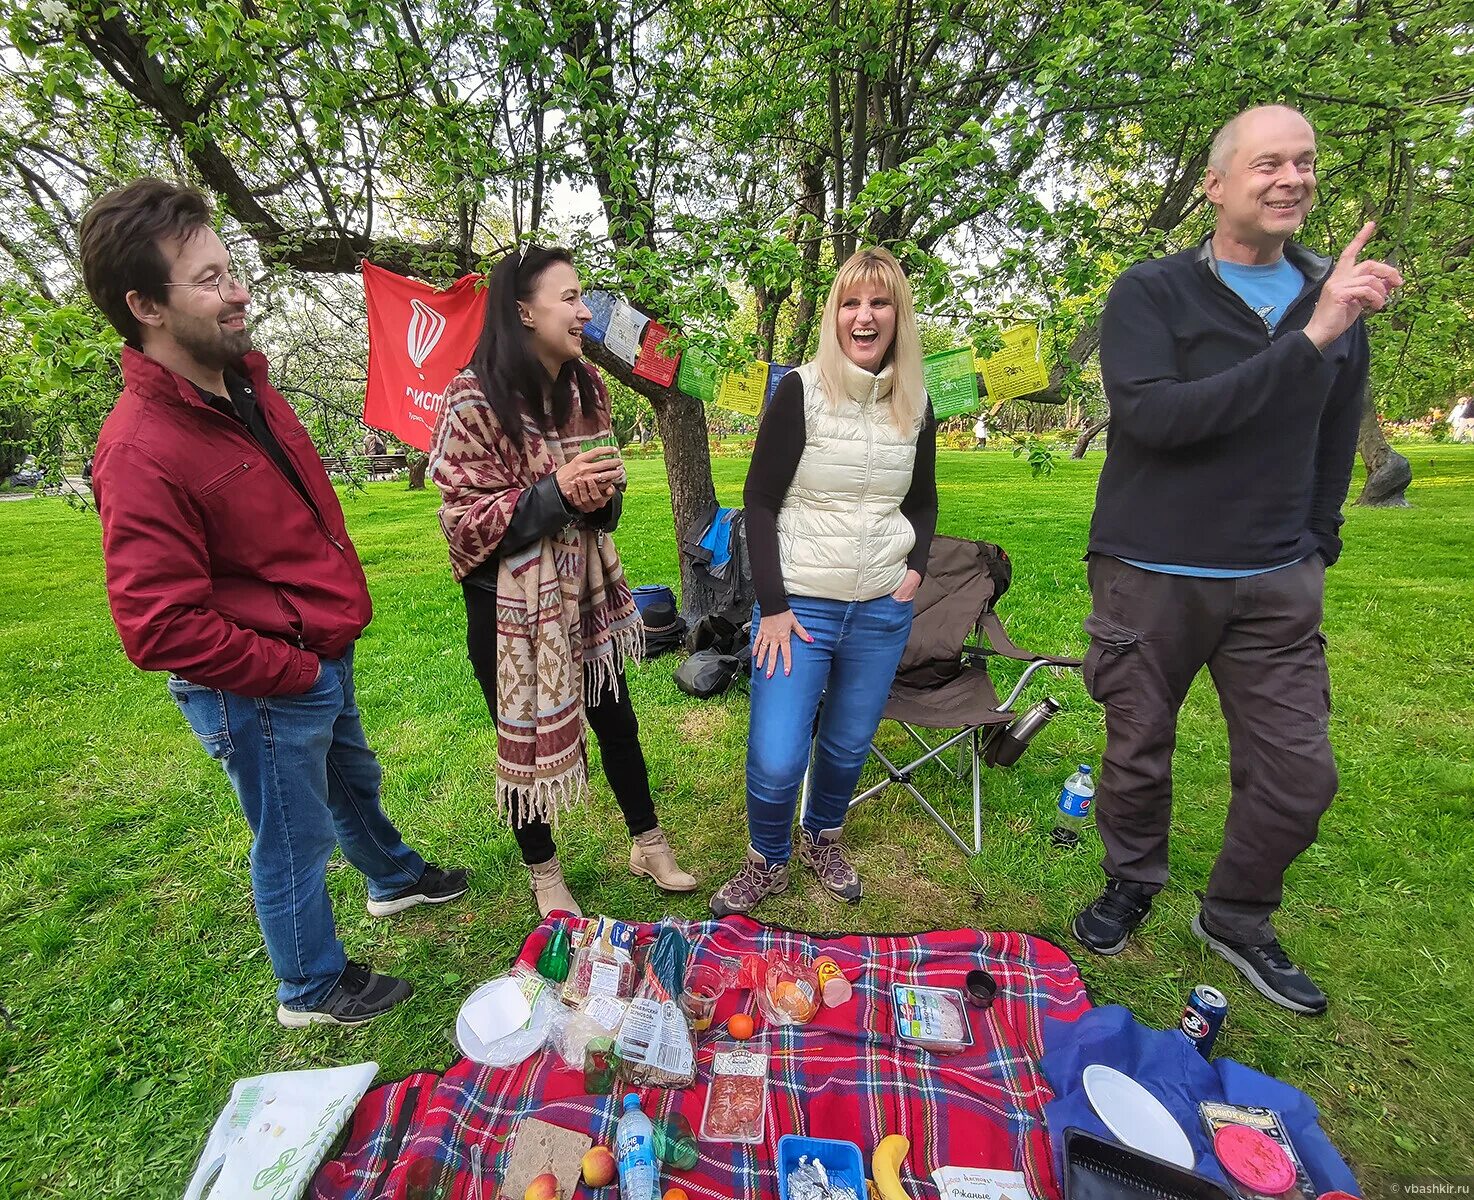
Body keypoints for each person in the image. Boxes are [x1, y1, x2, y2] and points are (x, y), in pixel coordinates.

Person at [80, 180, 468, 1028]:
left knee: (350, 781)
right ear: (144, 305)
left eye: (233, 270)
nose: (239, 292)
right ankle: (312, 986)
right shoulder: (140, 447)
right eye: (211, 279)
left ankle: (395, 880)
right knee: (293, 836)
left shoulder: (244, 387)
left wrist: (320, 648)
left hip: (315, 652)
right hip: (257, 682)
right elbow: (158, 625)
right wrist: (289, 670)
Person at [1075, 106, 1402, 1014]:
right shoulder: (1153, 294)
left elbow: (1337, 433)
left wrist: (1317, 540)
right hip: (1152, 569)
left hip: (1274, 576)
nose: (1290, 178)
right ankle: (1131, 879)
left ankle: (1238, 914)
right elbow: (1157, 420)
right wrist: (1310, 340)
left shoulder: (1330, 297)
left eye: (1303, 162)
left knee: (1302, 772)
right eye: (1267, 164)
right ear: (1217, 186)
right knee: (1139, 749)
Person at [429, 246, 697, 918]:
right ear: (523, 311)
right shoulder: (473, 399)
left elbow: (602, 513)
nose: (584, 313)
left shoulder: (589, 391)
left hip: (584, 589)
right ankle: (545, 875)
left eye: (583, 299)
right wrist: (553, 495)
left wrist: (603, 496)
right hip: (505, 609)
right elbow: (462, 523)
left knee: (618, 720)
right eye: (570, 298)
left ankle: (649, 841)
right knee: (521, 741)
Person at [710, 247, 938, 916]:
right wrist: (773, 609)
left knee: (844, 744)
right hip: (800, 610)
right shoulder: (799, 391)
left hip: (880, 611)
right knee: (779, 756)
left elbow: (922, 500)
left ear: (898, 315)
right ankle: (766, 861)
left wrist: (915, 567)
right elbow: (758, 500)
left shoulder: (917, 401)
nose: (864, 317)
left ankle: (822, 839)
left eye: (879, 302)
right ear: (835, 313)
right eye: (851, 302)